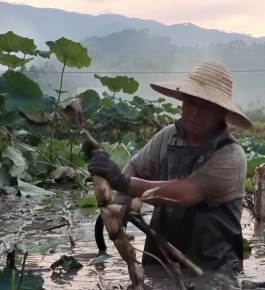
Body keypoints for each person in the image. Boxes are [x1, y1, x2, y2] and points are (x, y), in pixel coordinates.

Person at [88, 61, 251, 271]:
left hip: (213, 267)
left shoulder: (230, 156)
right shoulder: (167, 137)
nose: (195, 112)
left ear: (221, 112)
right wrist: (123, 200)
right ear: (182, 101)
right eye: (191, 103)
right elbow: (137, 167)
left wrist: (122, 182)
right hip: (160, 258)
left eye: (205, 107)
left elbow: (183, 194)